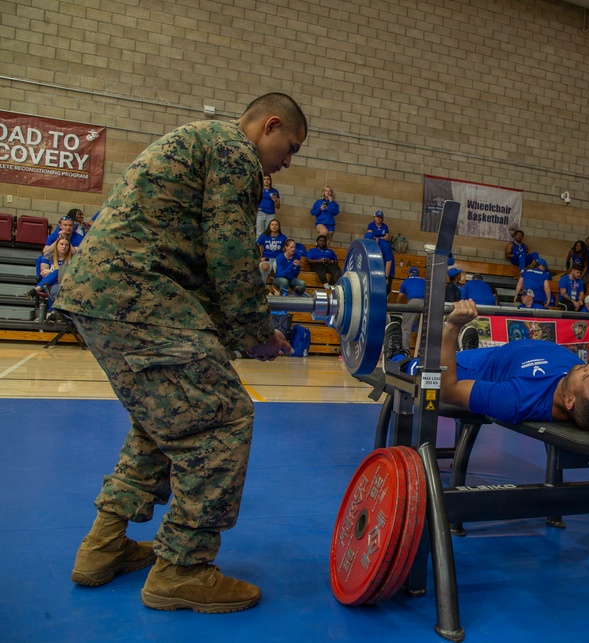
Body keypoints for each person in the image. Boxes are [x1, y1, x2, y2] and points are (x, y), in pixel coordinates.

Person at [55, 92, 306, 614]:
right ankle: (183, 569)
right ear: (270, 125)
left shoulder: (197, 142)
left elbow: (197, 261)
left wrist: (249, 333)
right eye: (291, 147)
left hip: (102, 292)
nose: (288, 161)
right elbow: (230, 251)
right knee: (223, 419)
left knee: (166, 419)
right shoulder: (235, 152)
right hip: (135, 294)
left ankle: (102, 547)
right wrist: (257, 330)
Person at [383, 299, 589, 431]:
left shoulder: (517, 399)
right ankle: (467, 347)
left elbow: (447, 388)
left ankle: (397, 357)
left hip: (481, 366)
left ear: (569, 401)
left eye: (588, 375)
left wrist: (452, 326)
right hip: (504, 355)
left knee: (421, 370)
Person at [364, 210, 395, 287]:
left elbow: (389, 262)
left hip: (387, 269)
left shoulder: (385, 245)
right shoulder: (369, 247)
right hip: (378, 268)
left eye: (380, 217)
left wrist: (386, 278)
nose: (378, 219)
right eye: (377, 217)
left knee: (386, 288)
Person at [396, 267, 426, 339]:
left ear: (409, 274)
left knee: (406, 328)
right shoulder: (424, 281)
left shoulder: (406, 281)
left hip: (414, 302)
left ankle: (405, 349)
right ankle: (421, 349)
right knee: (423, 330)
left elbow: (399, 298)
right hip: (427, 303)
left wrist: (401, 309)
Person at [256, 218, 286, 284]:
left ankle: (278, 287)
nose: (274, 226)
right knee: (264, 267)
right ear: (269, 226)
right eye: (272, 225)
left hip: (278, 258)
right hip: (266, 258)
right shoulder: (264, 236)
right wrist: (259, 257)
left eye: (276, 225)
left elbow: (287, 249)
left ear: (279, 227)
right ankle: (262, 286)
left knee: (279, 268)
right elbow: (256, 246)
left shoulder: (283, 237)